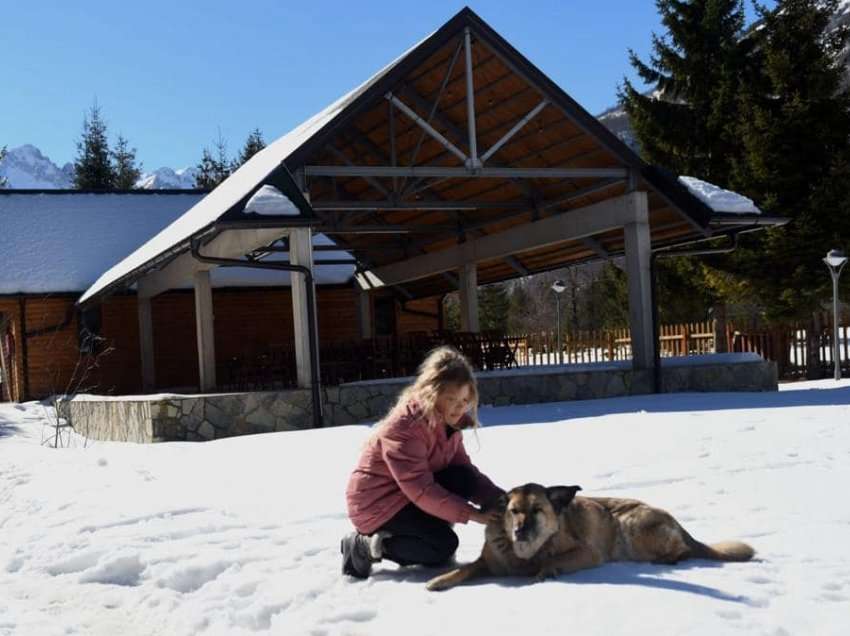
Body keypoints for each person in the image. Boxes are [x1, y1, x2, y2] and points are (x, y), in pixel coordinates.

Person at [341, 345, 504, 579]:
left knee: (463, 478)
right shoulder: (406, 428)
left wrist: (502, 501)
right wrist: (472, 514)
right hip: (375, 504)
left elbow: (466, 473)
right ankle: (365, 546)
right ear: (433, 393)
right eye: (452, 399)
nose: (460, 407)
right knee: (442, 547)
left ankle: (422, 535)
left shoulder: (448, 422)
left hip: (406, 495)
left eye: (465, 399)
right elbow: (421, 489)